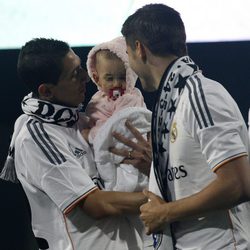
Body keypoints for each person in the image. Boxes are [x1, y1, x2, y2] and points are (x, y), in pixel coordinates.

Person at [110, 3, 250, 250]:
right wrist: (158, 169)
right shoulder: (174, 101)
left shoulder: (200, 95)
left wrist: (165, 213)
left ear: (140, 49)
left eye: (128, 55)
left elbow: (238, 183)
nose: (130, 66)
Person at [0, 38, 152, 250]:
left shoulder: (85, 120)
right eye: (74, 75)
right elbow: (96, 205)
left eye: (81, 68)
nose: (86, 79)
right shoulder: (36, 137)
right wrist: (164, 199)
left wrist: (150, 165)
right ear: (46, 91)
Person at [84, 36, 153, 249]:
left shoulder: (130, 97)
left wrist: (93, 135)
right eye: (109, 78)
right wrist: (94, 132)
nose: (116, 84)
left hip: (132, 156)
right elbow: (97, 123)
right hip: (110, 160)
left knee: (132, 183)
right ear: (97, 78)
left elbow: (126, 124)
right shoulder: (96, 102)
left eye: (122, 77)